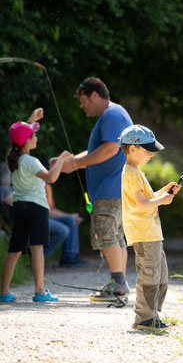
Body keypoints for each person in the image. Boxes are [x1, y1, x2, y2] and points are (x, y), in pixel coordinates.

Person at [58, 77, 133, 302]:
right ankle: (119, 284)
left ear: (94, 95)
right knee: (116, 236)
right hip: (113, 189)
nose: (82, 106)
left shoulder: (112, 115)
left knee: (106, 233)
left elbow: (111, 148)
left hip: (111, 189)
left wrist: (78, 163)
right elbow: (97, 150)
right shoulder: (113, 115)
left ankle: (117, 285)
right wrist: (68, 162)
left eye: (83, 101)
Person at [0, 108, 72, 302]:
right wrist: (63, 159)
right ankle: (40, 291)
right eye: (33, 135)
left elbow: (20, 134)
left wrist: (32, 119)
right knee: (37, 247)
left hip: (19, 207)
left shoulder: (15, 159)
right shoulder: (31, 161)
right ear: (27, 141)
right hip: (37, 208)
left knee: (14, 250)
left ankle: (4, 292)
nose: (35, 136)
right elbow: (51, 177)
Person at [118, 124, 181, 330]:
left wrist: (164, 192)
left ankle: (152, 314)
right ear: (133, 149)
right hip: (143, 233)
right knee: (149, 274)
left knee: (160, 273)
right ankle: (144, 318)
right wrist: (162, 200)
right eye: (148, 150)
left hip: (151, 233)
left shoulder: (136, 171)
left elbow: (149, 198)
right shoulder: (131, 173)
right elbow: (142, 204)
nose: (151, 155)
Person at [44, 182, 87, 266]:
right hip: (41, 218)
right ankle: (45, 254)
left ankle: (70, 256)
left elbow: (52, 209)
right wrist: (70, 215)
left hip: (48, 217)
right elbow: (47, 212)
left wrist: (70, 216)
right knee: (70, 220)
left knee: (71, 220)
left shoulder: (47, 186)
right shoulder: (38, 185)